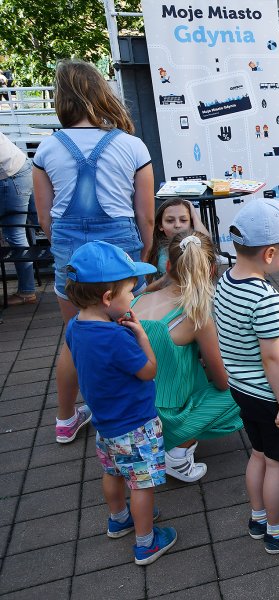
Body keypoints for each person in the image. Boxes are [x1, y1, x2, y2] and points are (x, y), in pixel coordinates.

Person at [33, 59, 155, 445]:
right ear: (101, 93)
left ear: (62, 98)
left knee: (75, 335)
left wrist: (66, 248)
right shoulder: (132, 145)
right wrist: (144, 251)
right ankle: (135, 412)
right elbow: (146, 215)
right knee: (128, 330)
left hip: (69, 245)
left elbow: (44, 219)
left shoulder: (48, 148)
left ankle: (66, 419)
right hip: (121, 244)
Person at [63, 241, 176, 565]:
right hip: (136, 425)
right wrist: (141, 336)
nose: (133, 298)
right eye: (130, 292)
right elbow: (149, 371)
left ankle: (118, 518)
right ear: (108, 298)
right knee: (141, 484)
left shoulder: (75, 327)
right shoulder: (118, 338)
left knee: (112, 473)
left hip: (105, 425)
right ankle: (146, 542)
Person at [213, 198, 279, 554]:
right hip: (272, 397)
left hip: (243, 391)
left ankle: (260, 517)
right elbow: (272, 358)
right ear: (270, 254)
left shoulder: (226, 282)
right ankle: (277, 531)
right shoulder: (265, 298)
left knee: (258, 454)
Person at [131, 231, 243, 482]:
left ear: (168, 266)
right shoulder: (196, 315)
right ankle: (177, 453)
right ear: (212, 268)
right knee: (246, 388)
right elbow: (223, 381)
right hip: (166, 418)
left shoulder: (135, 302)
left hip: (133, 409)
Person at [0, 131, 36, 304]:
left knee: (14, 234)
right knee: (41, 224)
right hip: (21, 168)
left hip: (10, 176)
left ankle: (27, 292)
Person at [143, 198, 210, 291]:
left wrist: (194, 214)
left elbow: (206, 241)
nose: (177, 225)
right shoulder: (155, 248)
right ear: (160, 226)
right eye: (170, 220)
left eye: (183, 220)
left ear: (191, 224)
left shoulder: (194, 246)